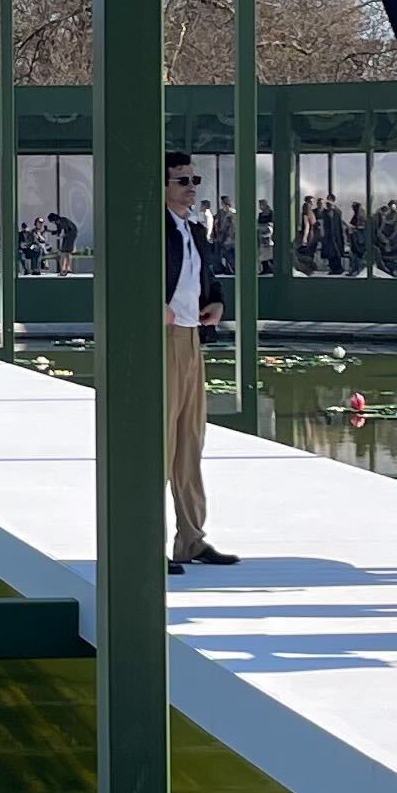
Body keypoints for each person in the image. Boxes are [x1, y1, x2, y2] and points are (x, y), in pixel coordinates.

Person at [162, 152, 235, 574]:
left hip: (191, 338)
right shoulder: (154, 229)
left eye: (194, 179)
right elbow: (131, 272)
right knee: (162, 442)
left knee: (191, 442)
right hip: (165, 340)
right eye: (181, 180)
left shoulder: (192, 230)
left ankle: (191, 540)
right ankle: (144, 542)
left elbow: (206, 275)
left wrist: (217, 303)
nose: (191, 187)